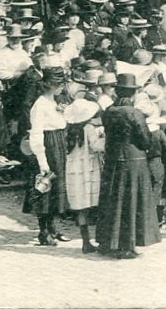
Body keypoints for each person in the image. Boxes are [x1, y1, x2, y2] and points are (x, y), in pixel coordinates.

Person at [96, 73, 160, 258]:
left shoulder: (108, 111)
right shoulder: (134, 113)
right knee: (132, 202)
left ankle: (108, 242)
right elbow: (145, 140)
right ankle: (127, 246)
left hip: (113, 159)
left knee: (113, 200)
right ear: (132, 93)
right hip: (134, 161)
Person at [26, 66, 71, 245]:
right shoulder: (40, 105)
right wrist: (42, 160)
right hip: (48, 146)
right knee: (45, 187)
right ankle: (43, 231)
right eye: (59, 85)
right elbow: (36, 134)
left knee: (56, 189)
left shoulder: (54, 102)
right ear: (49, 85)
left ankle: (52, 227)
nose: (62, 88)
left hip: (58, 143)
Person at [63, 97, 105, 253]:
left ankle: (85, 241)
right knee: (96, 202)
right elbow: (96, 146)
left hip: (74, 170)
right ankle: (101, 239)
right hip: (89, 169)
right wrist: (105, 139)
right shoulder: (88, 128)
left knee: (81, 206)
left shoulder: (68, 130)